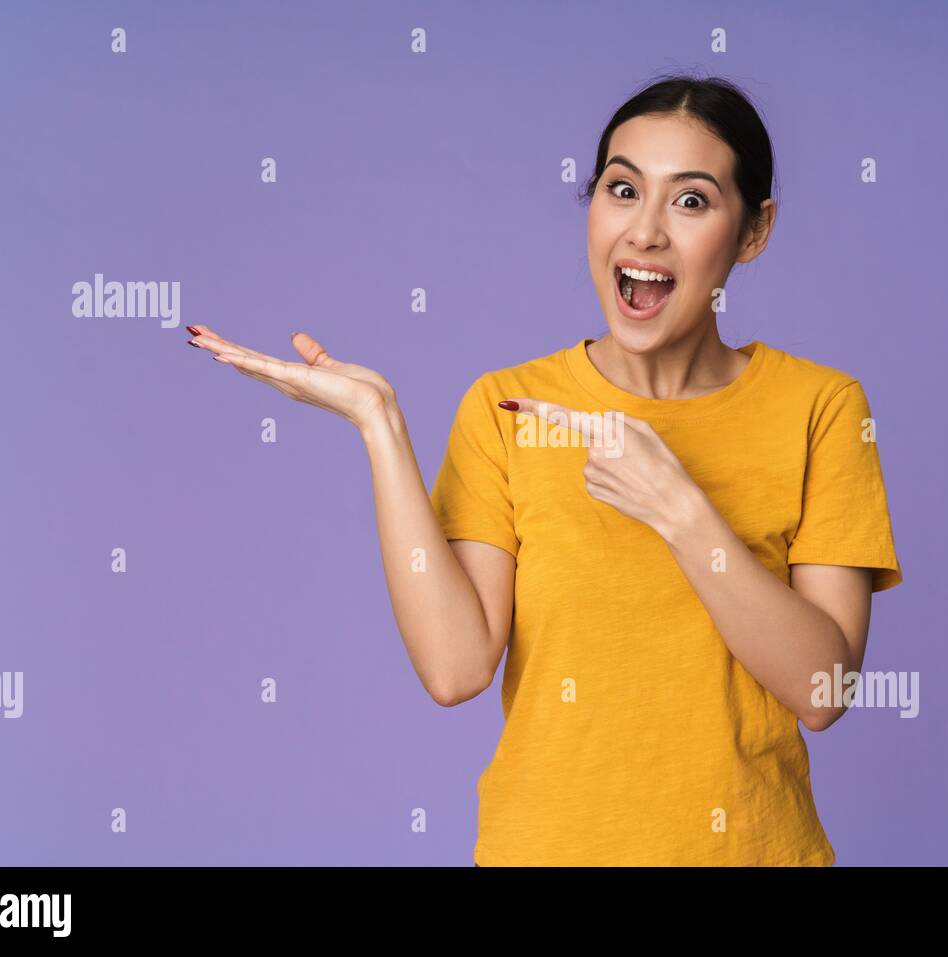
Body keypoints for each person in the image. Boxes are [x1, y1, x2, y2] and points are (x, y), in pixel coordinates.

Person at [186, 72, 902, 866]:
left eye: (691, 201)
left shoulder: (822, 406)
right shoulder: (507, 407)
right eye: (622, 190)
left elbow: (823, 691)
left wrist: (681, 510)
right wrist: (379, 425)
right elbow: (456, 669)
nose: (646, 233)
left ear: (755, 230)